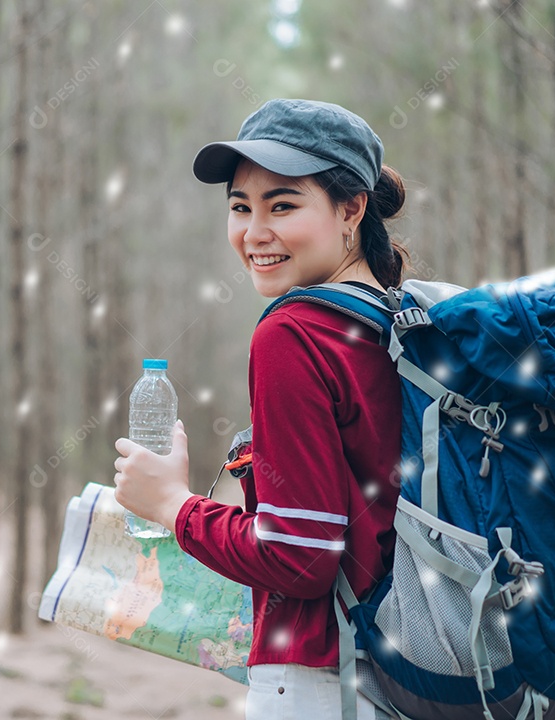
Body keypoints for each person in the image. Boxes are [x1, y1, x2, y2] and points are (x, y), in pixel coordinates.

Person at [112, 99, 407, 719]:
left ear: (351, 208)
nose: (254, 233)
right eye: (241, 208)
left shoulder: (295, 333)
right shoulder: (399, 323)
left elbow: (299, 557)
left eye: (283, 205)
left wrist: (171, 505)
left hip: (325, 684)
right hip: (405, 670)